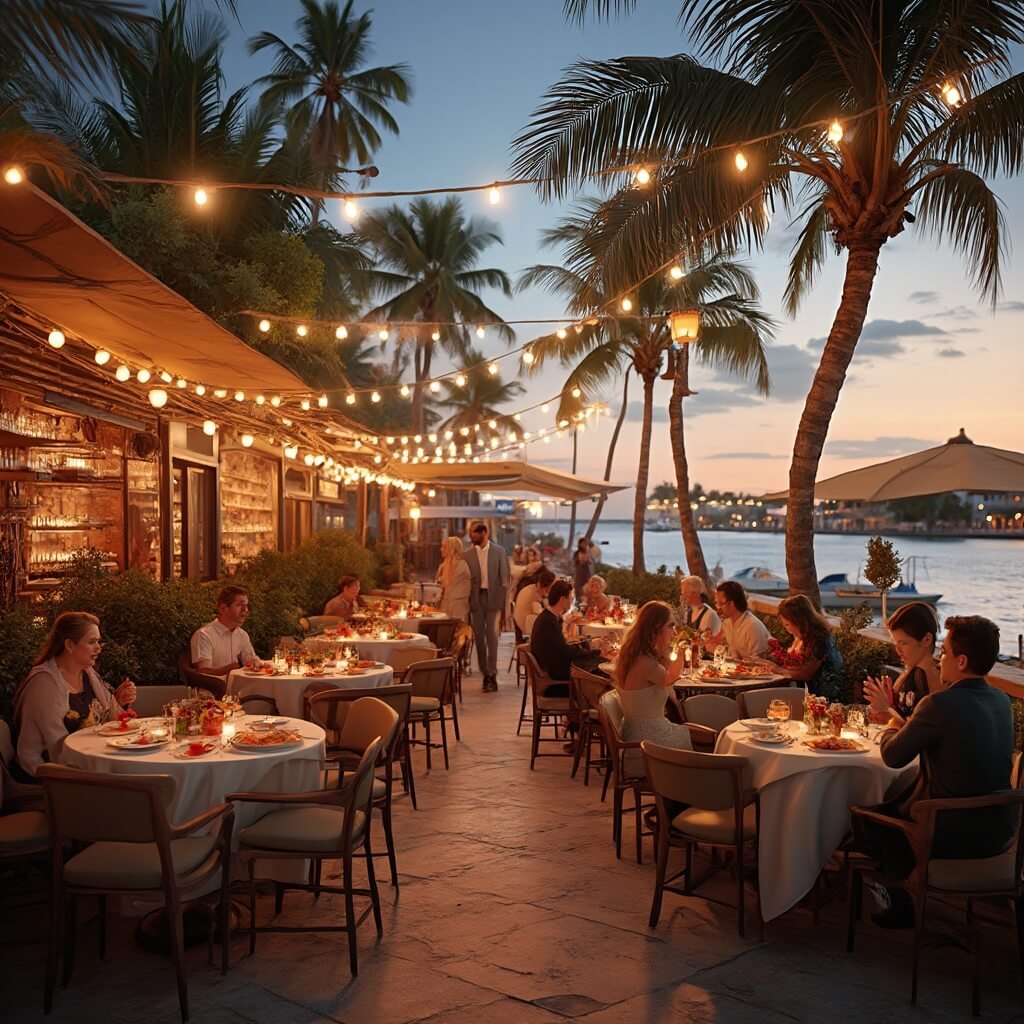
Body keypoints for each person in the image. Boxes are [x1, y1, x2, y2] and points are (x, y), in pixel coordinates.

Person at [853, 615, 1015, 928]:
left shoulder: (940, 704)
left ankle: (899, 900)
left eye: (945, 652)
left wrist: (888, 720)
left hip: (949, 833)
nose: (941, 658)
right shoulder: (1000, 700)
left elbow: (892, 756)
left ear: (963, 660)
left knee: (864, 819)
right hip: (999, 830)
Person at [13, 612, 137, 778]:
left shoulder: (88, 674)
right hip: (54, 774)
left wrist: (120, 701)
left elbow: (111, 721)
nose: (99, 648)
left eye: (98, 641)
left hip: (88, 762)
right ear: (70, 645)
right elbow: (57, 748)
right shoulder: (44, 684)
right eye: (92, 642)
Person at [613, 600, 692, 750]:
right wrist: (681, 650)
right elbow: (670, 678)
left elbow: (665, 666)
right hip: (647, 741)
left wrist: (664, 647)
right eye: (670, 626)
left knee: (688, 731)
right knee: (695, 736)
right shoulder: (645, 663)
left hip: (634, 731)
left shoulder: (635, 655)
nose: (674, 633)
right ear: (655, 628)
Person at [863, 602, 941, 721]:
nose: (897, 650)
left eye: (903, 643)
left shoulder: (930, 681)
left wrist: (886, 711)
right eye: (895, 643)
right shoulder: (909, 673)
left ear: (927, 639)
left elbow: (919, 732)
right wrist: (888, 703)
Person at [768, 594, 848, 702]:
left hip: (824, 697)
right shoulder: (801, 637)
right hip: (805, 692)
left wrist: (775, 669)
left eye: (787, 624)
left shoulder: (819, 639)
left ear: (799, 622)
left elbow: (805, 673)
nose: (786, 629)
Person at [529, 580, 605, 689]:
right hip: (555, 681)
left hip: (554, 668)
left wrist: (587, 646)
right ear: (562, 600)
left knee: (595, 660)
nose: (572, 601)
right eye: (571, 598)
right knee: (599, 666)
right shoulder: (548, 623)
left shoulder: (548, 617)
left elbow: (561, 649)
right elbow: (565, 652)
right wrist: (590, 648)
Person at [465, 522, 510, 692]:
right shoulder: (467, 555)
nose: (471, 537)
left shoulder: (499, 551)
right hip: (476, 600)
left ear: (484, 533)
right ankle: (485, 673)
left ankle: (492, 674)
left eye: (474, 534)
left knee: (492, 637)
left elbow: (504, 578)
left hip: (493, 598)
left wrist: (501, 602)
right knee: (479, 638)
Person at [191, 585, 256, 677]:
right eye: (240, 605)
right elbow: (203, 673)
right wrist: (230, 669)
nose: (245, 610)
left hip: (238, 688)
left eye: (246, 606)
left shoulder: (242, 634)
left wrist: (261, 665)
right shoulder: (204, 635)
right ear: (223, 608)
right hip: (212, 690)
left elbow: (251, 663)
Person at [710, 581, 771, 659]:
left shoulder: (752, 626)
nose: (717, 608)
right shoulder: (727, 623)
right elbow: (733, 654)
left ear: (732, 603)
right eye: (716, 603)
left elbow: (759, 661)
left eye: (720, 603)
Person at [437, 537, 471, 621]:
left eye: (444, 547)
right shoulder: (443, 566)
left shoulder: (463, 565)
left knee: (458, 632)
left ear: (451, 548)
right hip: (445, 607)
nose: (441, 549)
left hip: (458, 608)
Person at [514, 568, 556, 637]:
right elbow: (540, 612)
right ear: (547, 585)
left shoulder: (532, 587)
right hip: (526, 624)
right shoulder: (534, 595)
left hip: (521, 622)